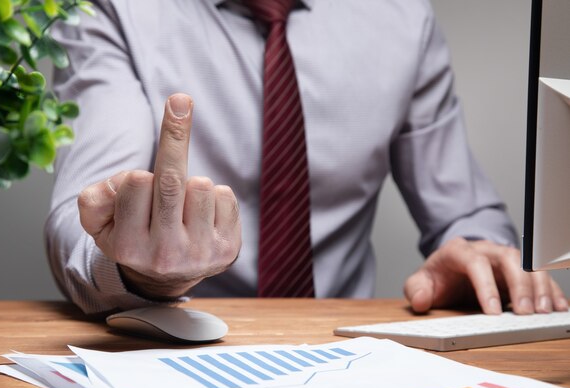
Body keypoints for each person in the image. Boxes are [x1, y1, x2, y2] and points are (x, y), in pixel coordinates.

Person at [45, 0, 568, 315]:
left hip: (344, 359)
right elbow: (85, 214)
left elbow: (462, 211)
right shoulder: (111, 8)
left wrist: (481, 256)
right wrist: (142, 269)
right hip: (168, 347)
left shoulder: (401, 17)